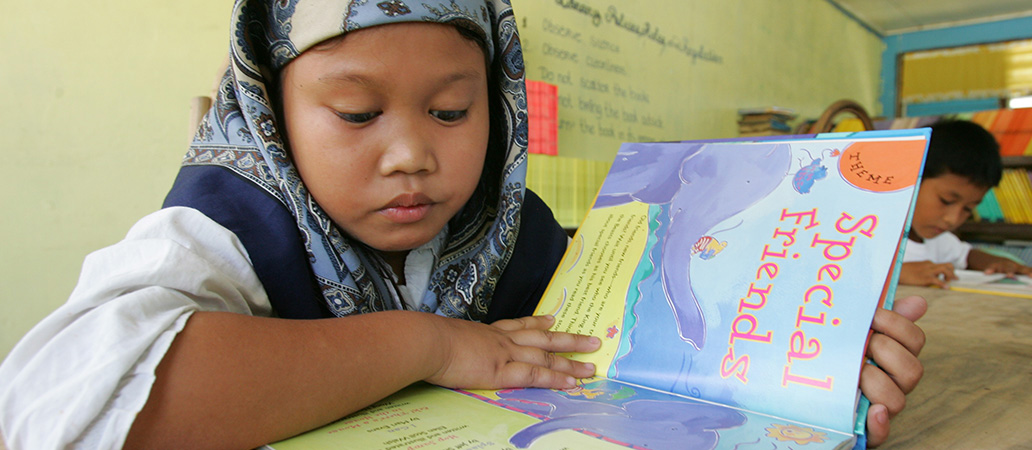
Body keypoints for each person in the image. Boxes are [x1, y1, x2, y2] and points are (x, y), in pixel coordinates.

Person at [0, 1, 925, 449]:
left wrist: (814, 353)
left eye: (452, 112)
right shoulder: (220, 233)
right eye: (358, 116)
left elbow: (640, 340)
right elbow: (62, 408)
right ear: (272, 119)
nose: (412, 155)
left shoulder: (516, 232)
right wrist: (425, 346)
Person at [900, 119, 1032, 288]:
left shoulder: (936, 240)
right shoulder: (870, 230)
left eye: (968, 209)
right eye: (946, 200)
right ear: (910, 178)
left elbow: (967, 255)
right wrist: (899, 274)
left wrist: (998, 263)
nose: (953, 220)